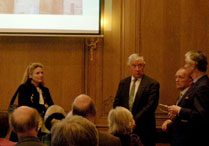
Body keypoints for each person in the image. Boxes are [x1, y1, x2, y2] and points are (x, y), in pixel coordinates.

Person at [113, 53, 159, 146]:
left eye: (140, 65)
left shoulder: (152, 84)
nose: (137, 69)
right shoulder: (123, 83)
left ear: (144, 66)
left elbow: (151, 106)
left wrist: (134, 120)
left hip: (144, 128)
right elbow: (117, 103)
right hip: (124, 128)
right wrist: (125, 120)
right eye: (134, 66)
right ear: (129, 67)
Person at [168, 50, 209, 146]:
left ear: (193, 65)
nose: (185, 66)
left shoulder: (202, 86)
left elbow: (203, 115)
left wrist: (180, 110)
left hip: (193, 140)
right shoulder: (197, 84)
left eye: (186, 63)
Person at [161, 68, 192, 145]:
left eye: (180, 77)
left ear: (190, 80)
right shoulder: (181, 95)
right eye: (176, 77)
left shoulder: (192, 95)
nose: (177, 80)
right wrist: (171, 120)